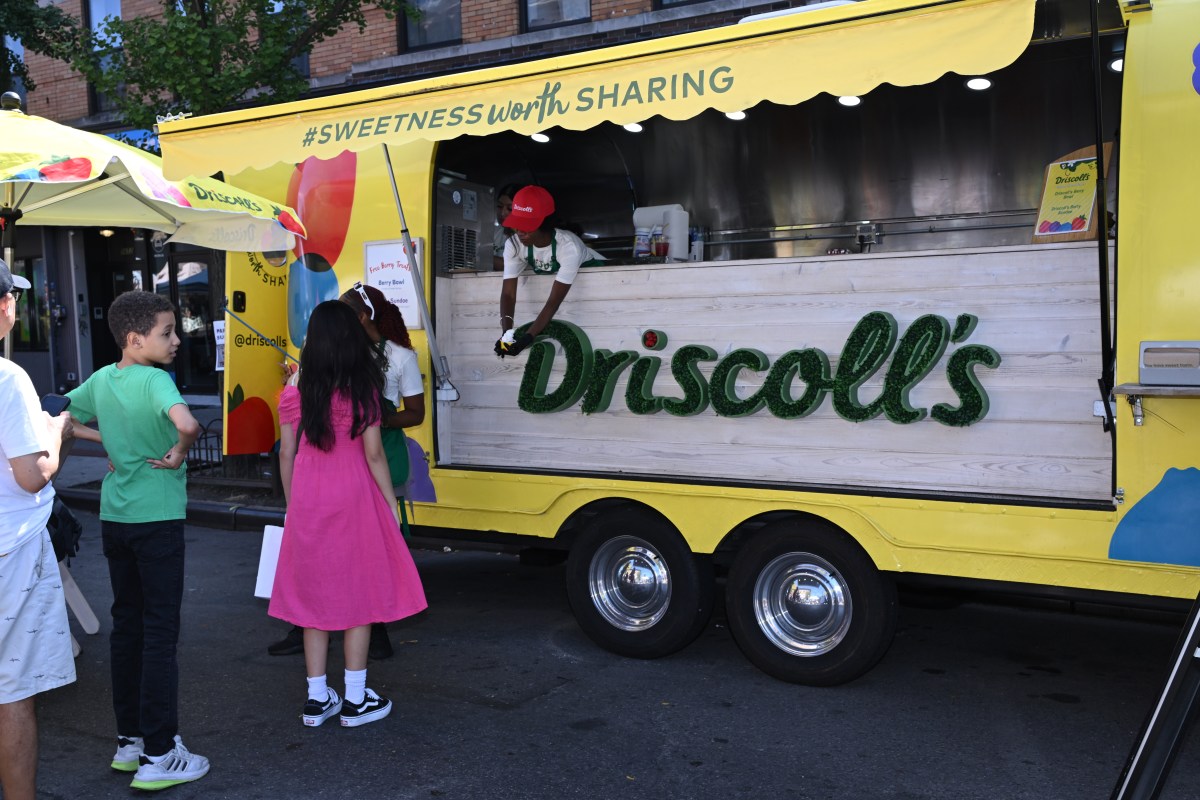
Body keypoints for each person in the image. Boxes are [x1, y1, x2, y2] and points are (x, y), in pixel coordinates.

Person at [66, 290, 209, 791]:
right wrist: (179, 451)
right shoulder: (156, 380)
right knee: (159, 633)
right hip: (158, 518)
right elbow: (189, 425)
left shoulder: (103, 379)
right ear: (134, 339)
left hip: (116, 518)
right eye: (167, 332)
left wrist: (104, 439)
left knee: (127, 629)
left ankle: (129, 742)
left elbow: (59, 416)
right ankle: (160, 753)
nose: (177, 340)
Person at [268, 300, 427, 728]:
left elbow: (286, 453)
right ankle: (356, 700)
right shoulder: (363, 390)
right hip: (355, 498)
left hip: (309, 500)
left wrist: (293, 505)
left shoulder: (293, 392)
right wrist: (390, 506)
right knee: (359, 596)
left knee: (312, 599)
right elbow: (374, 455)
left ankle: (317, 699)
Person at [0, 258, 76, 800]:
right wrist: (56, 431)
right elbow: (31, 475)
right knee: (12, 690)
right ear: (4, 307)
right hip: (11, 550)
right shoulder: (8, 379)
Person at [496, 185, 605, 358]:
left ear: (544, 223)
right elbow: (508, 294)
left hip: (600, 292)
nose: (520, 231)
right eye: (517, 224)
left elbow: (553, 301)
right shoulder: (514, 245)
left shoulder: (568, 246)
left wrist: (528, 337)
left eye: (526, 225)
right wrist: (506, 335)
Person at [492, 182, 522, 270]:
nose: (503, 213)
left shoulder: (527, 236)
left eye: (510, 208)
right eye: (499, 206)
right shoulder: (493, 233)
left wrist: (482, 258)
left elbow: (510, 266)